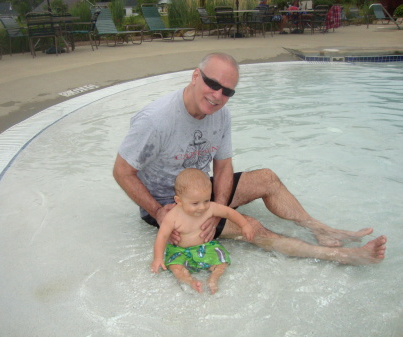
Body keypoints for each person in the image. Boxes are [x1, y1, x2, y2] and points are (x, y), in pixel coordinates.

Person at [113, 52, 386, 267]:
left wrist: (216, 208)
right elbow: (122, 171)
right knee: (252, 227)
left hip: (201, 192)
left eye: (227, 91)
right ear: (195, 76)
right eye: (212, 84)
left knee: (266, 177)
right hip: (169, 205)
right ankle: (341, 257)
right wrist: (159, 212)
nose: (218, 96)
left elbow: (223, 166)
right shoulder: (156, 120)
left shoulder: (221, 115)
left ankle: (320, 229)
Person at [151, 168, 254, 294]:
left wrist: (244, 225)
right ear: (179, 201)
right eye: (195, 203)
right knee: (175, 267)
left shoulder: (210, 208)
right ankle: (190, 281)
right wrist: (157, 258)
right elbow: (162, 236)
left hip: (205, 246)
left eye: (206, 200)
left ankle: (214, 278)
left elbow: (228, 212)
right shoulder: (173, 216)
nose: (202, 207)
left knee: (222, 261)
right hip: (180, 250)